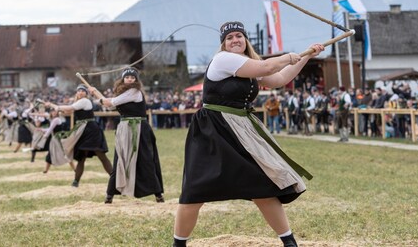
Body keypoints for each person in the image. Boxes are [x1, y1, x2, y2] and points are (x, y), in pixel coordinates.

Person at [172, 21, 324, 247]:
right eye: (230, 37)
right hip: (212, 131)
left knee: (263, 186)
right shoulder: (223, 60)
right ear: (224, 43)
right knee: (196, 192)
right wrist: (287, 57)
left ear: (245, 40)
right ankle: (179, 244)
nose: (235, 40)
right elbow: (267, 69)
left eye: (239, 36)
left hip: (241, 129)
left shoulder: (249, 64)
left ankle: (289, 242)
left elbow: (278, 79)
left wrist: (305, 57)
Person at [90, 67, 164, 204]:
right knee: (120, 160)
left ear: (136, 80)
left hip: (139, 130)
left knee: (146, 160)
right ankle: (109, 194)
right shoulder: (123, 93)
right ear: (123, 79)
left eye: (132, 77)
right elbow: (111, 105)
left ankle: (158, 194)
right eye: (127, 77)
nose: (130, 79)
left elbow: (109, 102)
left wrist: (96, 93)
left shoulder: (134, 91)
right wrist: (97, 95)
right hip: (125, 129)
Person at [46, 84, 113, 187]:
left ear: (86, 93)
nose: (81, 92)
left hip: (91, 131)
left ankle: (114, 179)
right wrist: (53, 106)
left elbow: (70, 107)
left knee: (101, 156)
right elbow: (68, 110)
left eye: (83, 91)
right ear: (76, 93)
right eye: (79, 91)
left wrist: (54, 106)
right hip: (83, 132)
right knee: (81, 158)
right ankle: (75, 182)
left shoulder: (85, 101)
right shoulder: (78, 102)